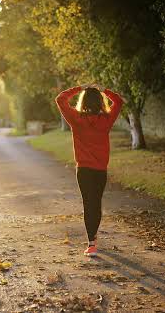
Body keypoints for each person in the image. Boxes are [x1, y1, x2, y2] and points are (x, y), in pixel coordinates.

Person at [55, 83, 124, 257]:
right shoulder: (106, 120)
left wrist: (79, 88)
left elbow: (60, 99)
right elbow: (119, 101)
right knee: (96, 203)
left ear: (83, 101)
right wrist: (104, 90)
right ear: (100, 102)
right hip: (100, 170)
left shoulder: (76, 119)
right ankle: (93, 238)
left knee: (88, 203)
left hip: (84, 170)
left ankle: (91, 243)